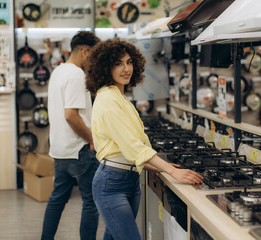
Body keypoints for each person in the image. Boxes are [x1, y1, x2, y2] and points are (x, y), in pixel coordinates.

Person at [85, 38, 203, 240]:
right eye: (118, 63)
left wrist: (158, 166)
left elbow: (131, 147)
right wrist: (172, 170)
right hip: (111, 184)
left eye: (129, 62)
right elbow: (133, 147)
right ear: (105, 67)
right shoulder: (107, 99)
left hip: (129, 179)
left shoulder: (119, 96)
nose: (126, 69)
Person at [41, 31, 101, 240]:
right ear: (84, 52)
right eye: (93, 55)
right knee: (91, 202)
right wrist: (92, 138)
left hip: (60, 149)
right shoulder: (76, 75)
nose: (94, 61)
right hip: (80, 150)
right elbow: (71, 116)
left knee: (57, 199)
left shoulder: (58, 71)